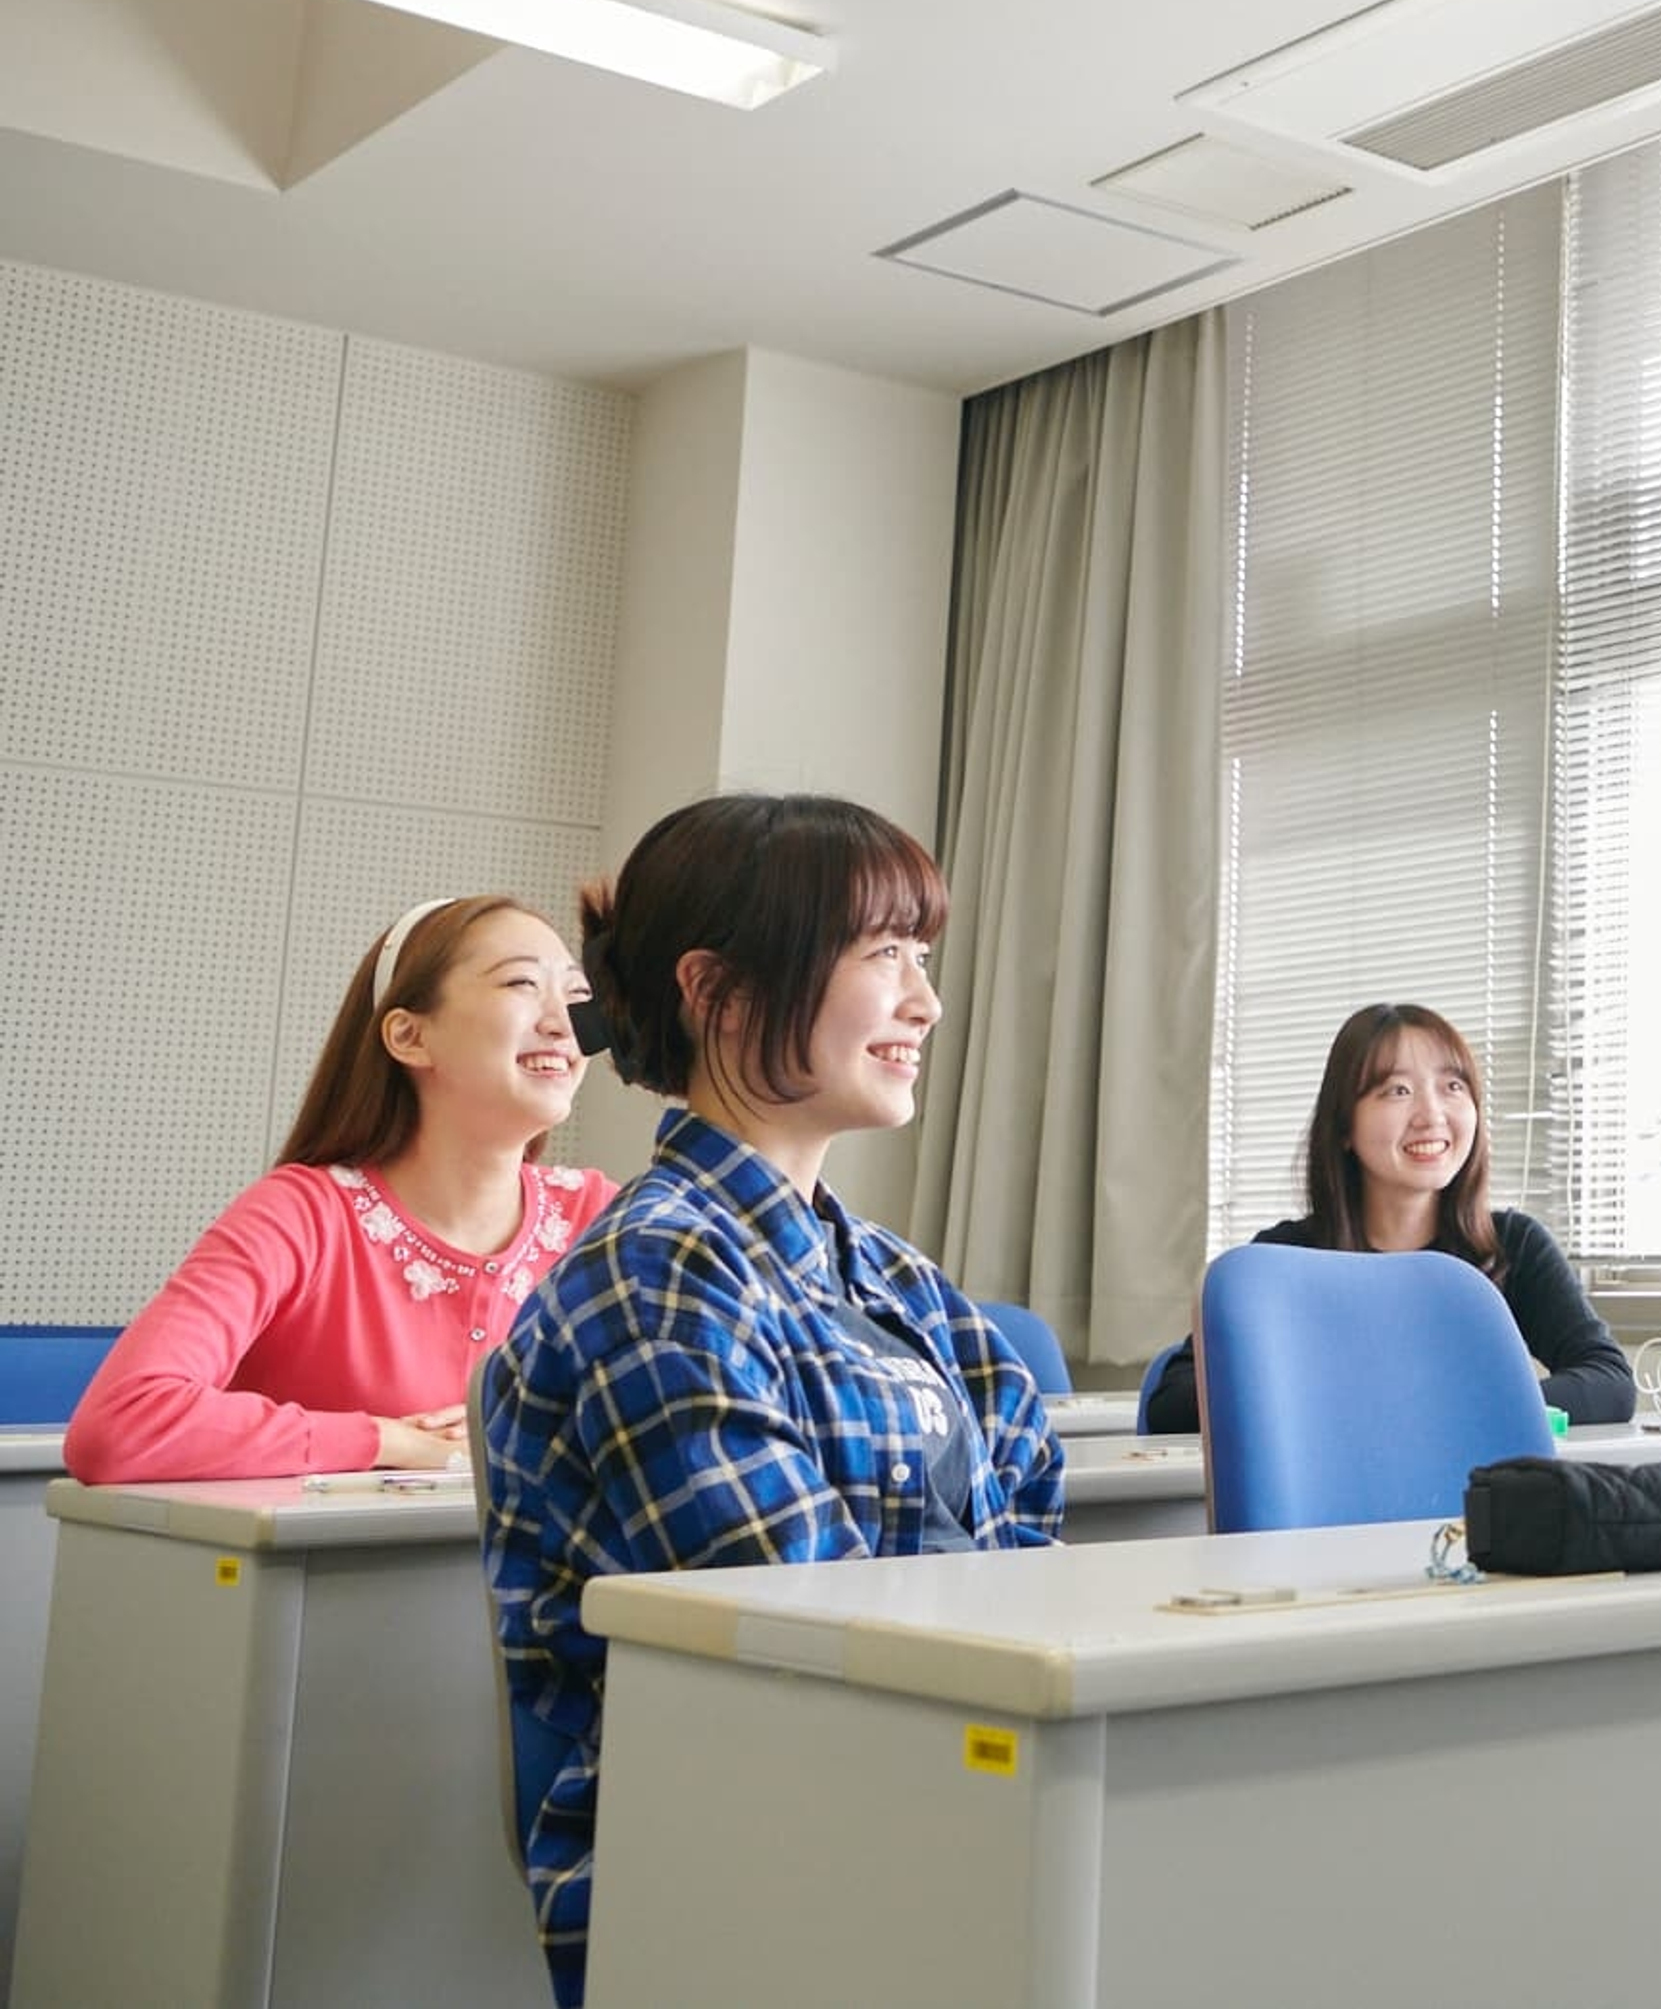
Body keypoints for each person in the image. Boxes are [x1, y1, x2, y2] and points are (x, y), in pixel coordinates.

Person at [479, 794, 1063, 2006]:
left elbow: (1037, 1553)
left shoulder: (903, 1280)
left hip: (928, 1803)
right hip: (745, 1866)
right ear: (720, 992)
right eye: (882, 956)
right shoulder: (658, 1270)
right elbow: (809, 1637)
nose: (925, 1002)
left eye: (923, 958)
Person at [65, 896, 613, 1483]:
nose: (565, 1025)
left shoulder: (604, 1217)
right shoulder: (299, 1215)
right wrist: (385, 1438)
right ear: (409, 1036)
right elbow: (119, 1424)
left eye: (578, 996)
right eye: (522, 984)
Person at [1145, 1002, 1632, 1433]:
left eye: (1453, 1086)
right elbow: (1174, 1399)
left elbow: (1608, 1381)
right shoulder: (1284, 1258)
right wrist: (1355, 1408)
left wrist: (1463, 1409)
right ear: (1343, 1128)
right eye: (1397, 1091)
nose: (1432, 1114)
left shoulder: (1510, 1244)